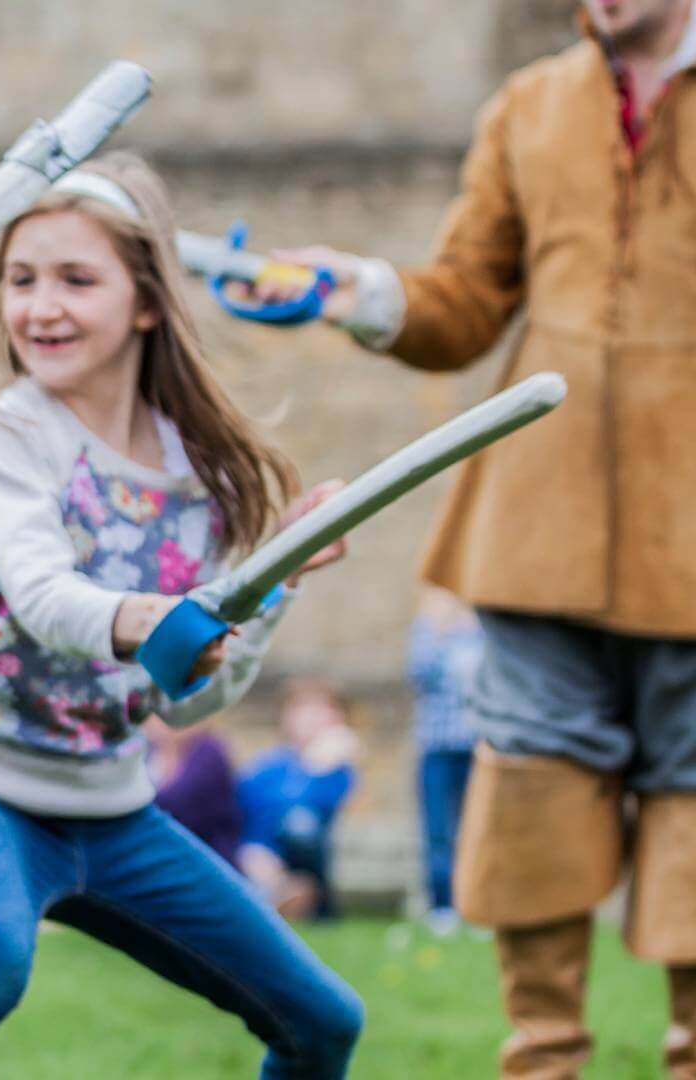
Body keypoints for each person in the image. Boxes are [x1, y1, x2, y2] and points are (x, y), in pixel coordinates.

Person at [250, 0, 696, 1070]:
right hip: (539, 528)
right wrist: (349, 288)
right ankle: (543, 1059)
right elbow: (462, 304)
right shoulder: (531, 105)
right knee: (533, 800)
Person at [0, 153, 362, 1080]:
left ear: (147, 303)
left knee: (324, 1020)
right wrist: (156, 615)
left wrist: (275, 584)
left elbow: (187, 704)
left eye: (76, 280)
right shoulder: (8, 434)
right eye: (21, 279)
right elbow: (46, 600)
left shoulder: (198, 473)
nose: (41, 305)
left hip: (111, 808)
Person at [235, 680, 360, 922]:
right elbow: (240, 804)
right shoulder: (268, 765)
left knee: (299, 824)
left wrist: (316, 763)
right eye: (303, 710)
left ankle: (290, 898)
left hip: (300, 855)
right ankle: (277, 897)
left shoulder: (335, 769)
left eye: (321, 711)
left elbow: (310, 804)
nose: (311, 719)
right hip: (256, 851)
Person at [409, 586, 483, 936]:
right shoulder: (430, 629)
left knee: (478, 830)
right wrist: (437, 627)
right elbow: (419, 674)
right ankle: (443, 906)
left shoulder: (486, 630)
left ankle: (478, 907)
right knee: (439, 831)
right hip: (437, 747)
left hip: (480, 748)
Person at [144, 716, 243, 867]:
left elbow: (178, 803)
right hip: (165, 856)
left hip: (209, 858)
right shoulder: (151, 753)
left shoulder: (209, 751)